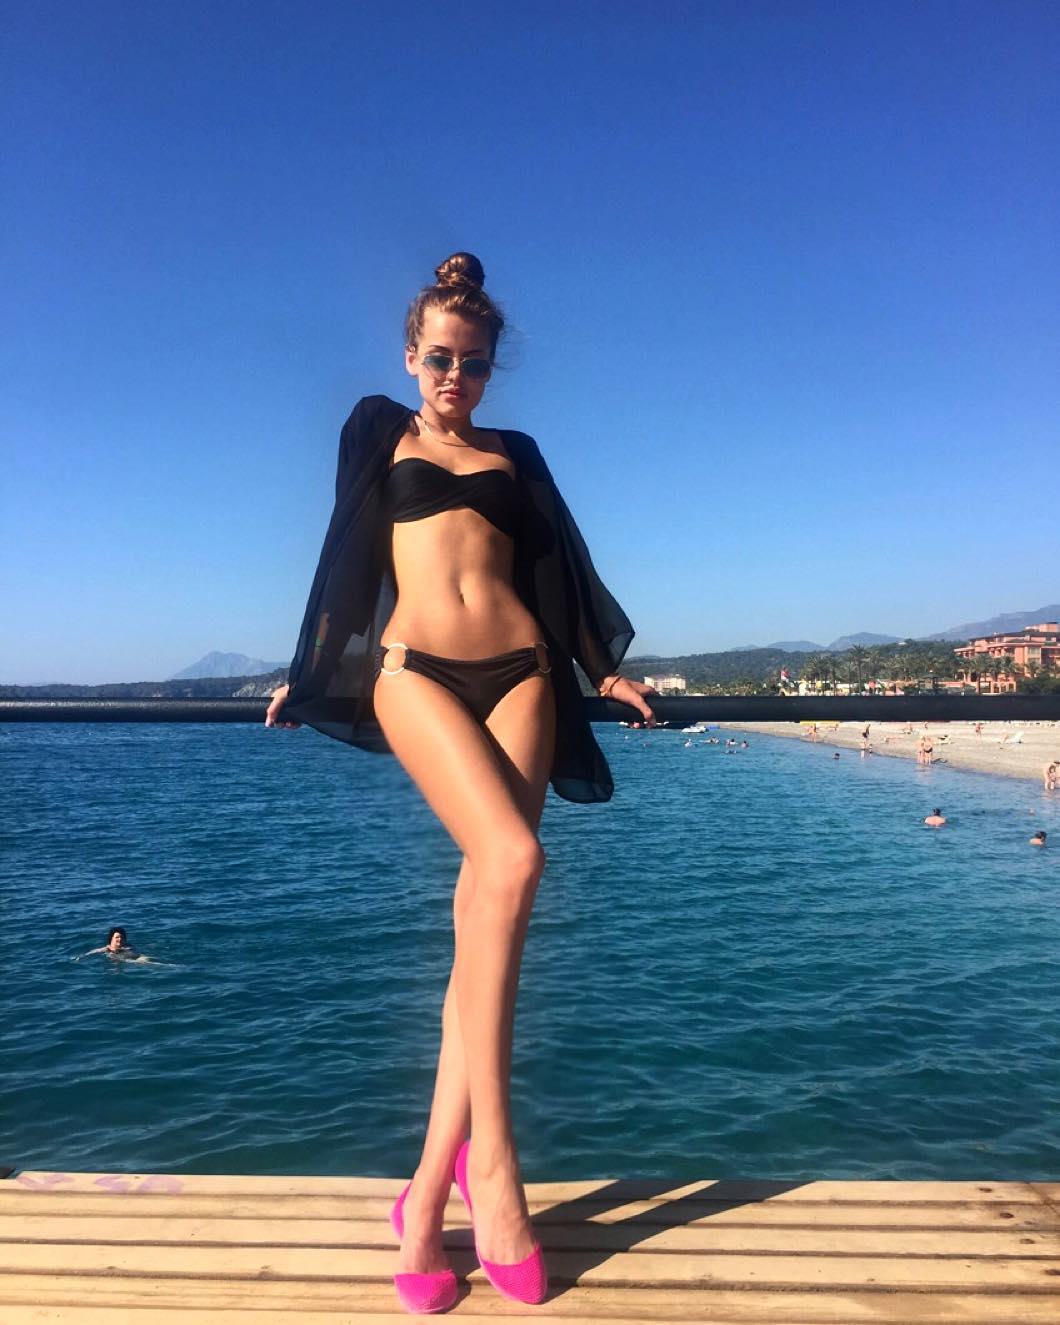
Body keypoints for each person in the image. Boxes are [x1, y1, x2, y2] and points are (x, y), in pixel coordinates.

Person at [264, 253, 657, 1313]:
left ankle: (426, 1192)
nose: (455, 377)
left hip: (523, 672)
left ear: (490, 369)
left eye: (473, 363)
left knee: (489, 930)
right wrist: (309, 670)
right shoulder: (375, 429)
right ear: (409, 355)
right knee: (515, 857)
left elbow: (563, 567)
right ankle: (495, 1168)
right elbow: (344, 554)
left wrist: (601, 670)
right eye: (439, 357)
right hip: (415, 672)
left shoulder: (514, 452)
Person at [75, 926, 152, 963]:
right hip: (120, 959)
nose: (120, 939)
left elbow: (137, 952)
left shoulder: (128, 946)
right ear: (111, 939)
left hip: (132, 956)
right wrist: (81, 957)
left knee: (146, 959)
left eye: (122, 937)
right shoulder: (107, 949)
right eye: (117, 937)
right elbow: (94, 952)